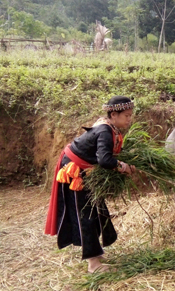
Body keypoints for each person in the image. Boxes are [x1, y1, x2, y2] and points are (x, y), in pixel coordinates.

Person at [45, 95, 136, 273]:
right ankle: (93, 264)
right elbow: (104, 160)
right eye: (126, 115)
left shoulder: (110, 128)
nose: (129, 119)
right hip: (75, 173)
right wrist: (123, 167)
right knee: (86, 214)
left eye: (130, 115)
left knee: (96, 209)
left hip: (85, 170)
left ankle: (96, 254)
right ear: (114, 115)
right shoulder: (105, 131)